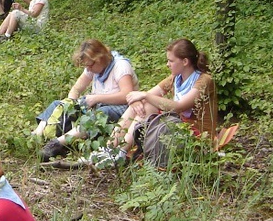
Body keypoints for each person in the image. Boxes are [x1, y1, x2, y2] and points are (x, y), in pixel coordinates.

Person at [88, 38, 218, 168]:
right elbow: (147, 96)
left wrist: (144, 95)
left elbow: (179, 106)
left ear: (185, 61)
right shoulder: (176, 77)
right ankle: (110, 148)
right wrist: (137, 100)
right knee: (141, 105)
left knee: (148, 105)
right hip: (179, 127)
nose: (168, 64)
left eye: (171, 61)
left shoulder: (204, 80)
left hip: (197, 135)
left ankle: (121, 153)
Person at [36, 39, 138, 161]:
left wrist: (96, 98)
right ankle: (37, 134)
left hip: (119, 111)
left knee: (101, 114)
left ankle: (57, 143)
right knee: (57, 104)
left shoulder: (120, 66)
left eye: (90, 66)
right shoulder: (93, 67)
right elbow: (76, 89)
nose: (88, 69)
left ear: (100, 58)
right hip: (96, 107)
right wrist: (70, 103)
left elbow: (127, 94)